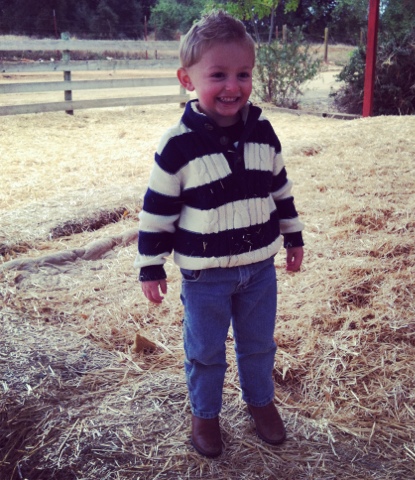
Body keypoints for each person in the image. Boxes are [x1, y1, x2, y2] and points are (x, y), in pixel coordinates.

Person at [134, 10, 304, 458]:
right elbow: (158, 209)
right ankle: (205, 414)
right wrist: (150, 264)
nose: (233, 86)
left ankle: (260, 402)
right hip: (204, 276)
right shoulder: (177, 144)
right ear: (187, 79)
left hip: (259, 269)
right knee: (205, 351)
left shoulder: (263, 132)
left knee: (258, 345)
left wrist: (293, 236)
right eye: (218, 75)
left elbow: (280, 188)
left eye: (243, 74)